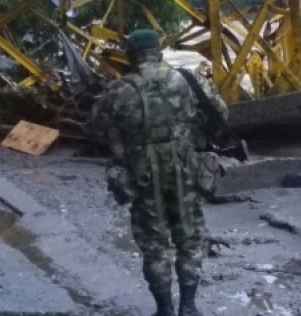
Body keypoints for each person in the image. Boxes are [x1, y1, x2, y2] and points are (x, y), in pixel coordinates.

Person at [95, 29, 227, 316]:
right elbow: (221, 113)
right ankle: (189, 306)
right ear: (160, 54)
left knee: (154, 244)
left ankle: (165, 309)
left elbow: (95, 125)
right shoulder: (187, 80)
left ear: (130, 57)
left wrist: (123, 141)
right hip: (185, 169)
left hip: (143, 174)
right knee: (190, 237)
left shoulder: (119, 89)